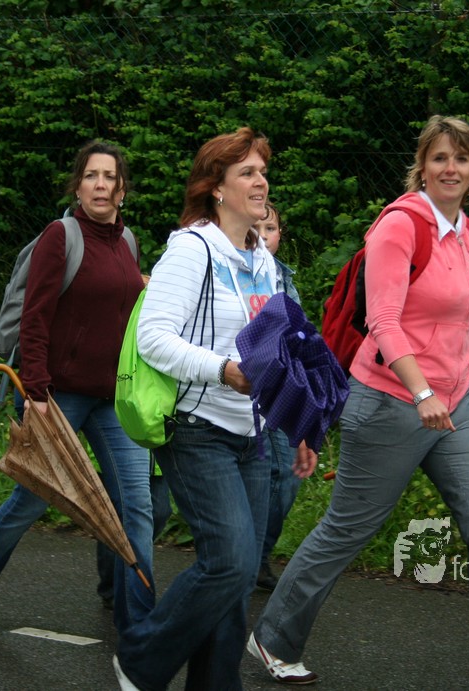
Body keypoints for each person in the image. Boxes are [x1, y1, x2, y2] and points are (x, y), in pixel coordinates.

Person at [248, 115, 469, 690]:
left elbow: (458, 323)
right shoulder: (400, 226)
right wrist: (422, 390)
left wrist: (451, 385)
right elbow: (383, 321)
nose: (451, 168)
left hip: (457, 405)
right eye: (439, 158)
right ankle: (274, 636)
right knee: (347, 529)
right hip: (390, 401)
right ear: (422, 167)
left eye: (461, 158)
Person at [112, 127, 318, 691]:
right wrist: (222, 369)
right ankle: (141, 658)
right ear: (217, 188)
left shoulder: (262, 260)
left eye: (263, 171)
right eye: (247, 172)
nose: (261, 181)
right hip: (196, 428)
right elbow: (154, 338)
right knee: (228, 561)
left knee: (240, 573)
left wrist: (299, 421)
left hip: (252, 434)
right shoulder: (191, 249)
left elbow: (278, 350)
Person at [0, 140, 155, 637]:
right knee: (34, 498)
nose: (100, 185)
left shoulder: (127, 243)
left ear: (122, 190)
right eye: (91, 176)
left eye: (110, 177)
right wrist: (36, 393)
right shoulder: (60, 237)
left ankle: (139, 619)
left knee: (136, 502)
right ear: (77, 186)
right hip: (57, 395)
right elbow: (35, 319)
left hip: (112, 398)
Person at [253, 201, 304, 591]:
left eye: (269, 229)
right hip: (244, 392)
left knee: (288, 477)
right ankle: (245, 556)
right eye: (255, 229)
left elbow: (300, 340)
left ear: (280, 235)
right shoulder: (232, 272)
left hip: (283, 393)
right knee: (258, 476)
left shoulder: (286, 281)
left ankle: (259, 554)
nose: (263, 237)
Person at [96, 460, 171, 609]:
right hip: (120, 457)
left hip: (158, 460)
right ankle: (112, 589)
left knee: (160, 512)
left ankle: (127, 582)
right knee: (117, 520)